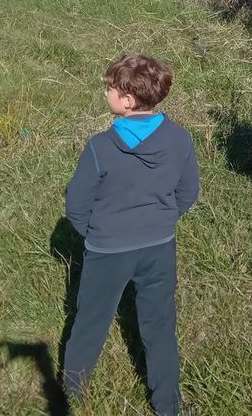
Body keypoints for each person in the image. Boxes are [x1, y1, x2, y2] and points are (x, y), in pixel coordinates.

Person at [62, 54, 200, 416]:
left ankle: (70, 397)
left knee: (90, 321)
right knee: (160, 325)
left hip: (107, 250)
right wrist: (162, 220)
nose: (105, 92)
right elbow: (188, 192)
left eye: (109, 88)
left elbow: (76, 206)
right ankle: (168, 405)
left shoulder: (100, 147)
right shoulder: (180, 139)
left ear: (127, 99)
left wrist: (98, 233)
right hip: (159, 246)